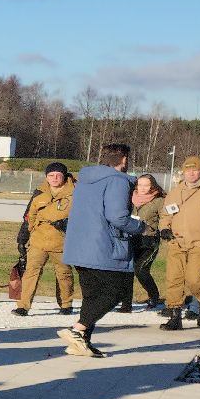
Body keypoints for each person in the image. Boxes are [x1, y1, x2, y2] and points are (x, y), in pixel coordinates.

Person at [57, 142, 145, 356]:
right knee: (117, 291)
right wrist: (140, 226)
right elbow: (117, 216)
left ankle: (81, 343)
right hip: (102, 246)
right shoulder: (117, 181)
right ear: (124, 159)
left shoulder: (86, 179)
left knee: (92, 295)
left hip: (79, 245)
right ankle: (77, 330)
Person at [12, 162, 78, 316]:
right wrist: (23, 238)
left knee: (64, 273)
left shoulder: (76, 193)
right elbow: (29, 217)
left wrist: (69, 224)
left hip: (62, 241)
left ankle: (66, 304)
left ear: (64, 176)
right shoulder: (39, 193)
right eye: (51, 175)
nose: (54, 178)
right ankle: (23, 306)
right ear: (46, 177)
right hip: (39, 240)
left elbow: (85, 216)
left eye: (58, 175)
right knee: (31, 273)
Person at [157, 155, 200, 330]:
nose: (191, 173)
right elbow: (166, 214)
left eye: (195, 170)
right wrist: (164, 227)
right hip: (176, 241)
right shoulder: (175, 192)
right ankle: (174, 315)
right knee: (174, 279)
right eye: (188, 170)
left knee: (195, 279)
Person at [125, 174, 166, 312]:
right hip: (131, 239)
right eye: (140, 185)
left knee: (141, 269)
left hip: (150, 241)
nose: (142, 188)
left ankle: (154, 295)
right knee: (127, 270)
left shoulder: (159, 200)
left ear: (152, 186)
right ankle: (126, 303)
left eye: (146, 185)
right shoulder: (130, 198)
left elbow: (166, 218)